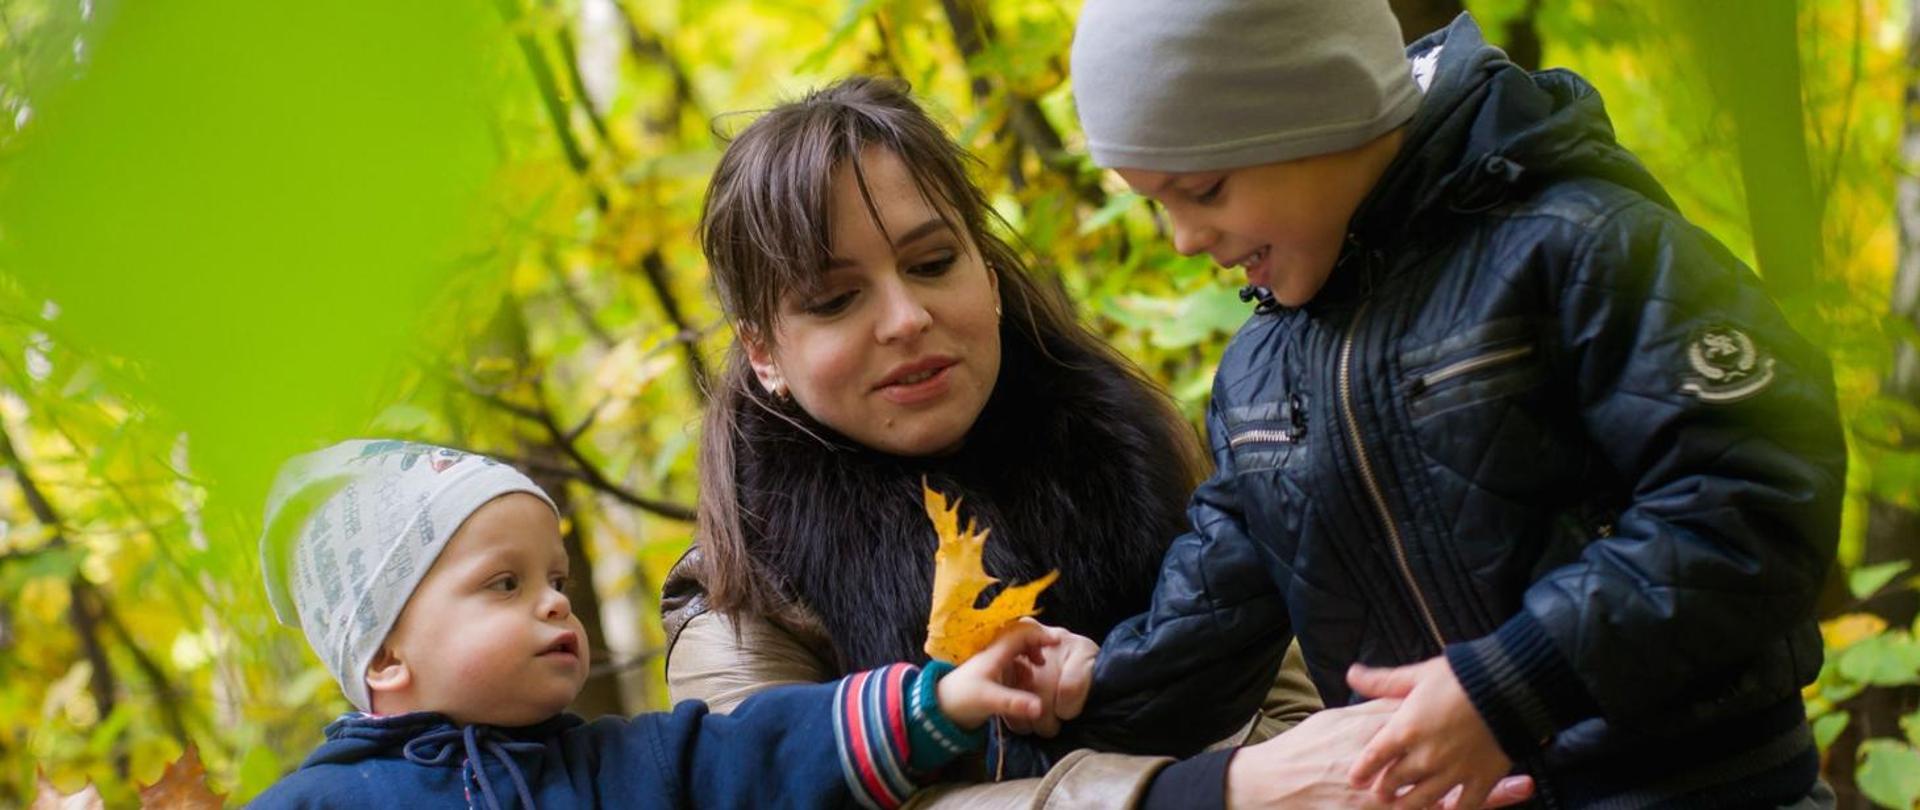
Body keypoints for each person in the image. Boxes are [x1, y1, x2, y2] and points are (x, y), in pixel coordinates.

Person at [1063, 1, 1846, 808]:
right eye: (1158, 202)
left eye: (1204, 190)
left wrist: (1512, 685)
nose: (1184, 238)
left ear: (1319, 109)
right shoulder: (1261, 373)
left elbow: (1753, 499)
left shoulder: (1575, 244)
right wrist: (1077, 692)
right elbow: (1213, 621)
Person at [663, 75, 1337, 807]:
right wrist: (1197, 792)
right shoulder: (742, 594)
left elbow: (1297, 714)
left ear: (985, 272)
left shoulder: (1142, 457)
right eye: (834, 300)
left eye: (931, 264)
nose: (905, 318)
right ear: (764, 352)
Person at [250, 439, 1070, 810]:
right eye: (505, 584)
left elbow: (763, 753)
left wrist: (944, 700)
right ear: (387, 656)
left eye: (557, 579)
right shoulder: (322, 800)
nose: (553, 602)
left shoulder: (622, 765)